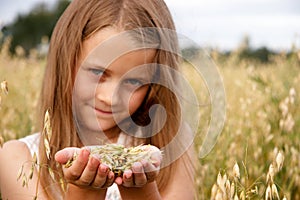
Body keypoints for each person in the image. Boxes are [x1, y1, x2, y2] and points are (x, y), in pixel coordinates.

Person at [0, 0, 196, 199]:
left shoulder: (172, 145)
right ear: (65, 62)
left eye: (134, 81)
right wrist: (85, 191)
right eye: (97, 72)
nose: (110, 98)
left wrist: (140, 190)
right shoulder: (19, 158)